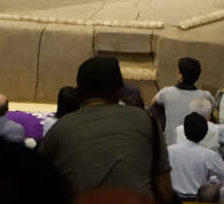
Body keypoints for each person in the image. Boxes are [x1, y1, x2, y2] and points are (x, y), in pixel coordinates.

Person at [37, 54, 170, 201]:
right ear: (119, 91)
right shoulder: (147, 120)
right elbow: (165, 188)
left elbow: (38, 183)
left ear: (80, 92)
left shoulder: (60, 127)